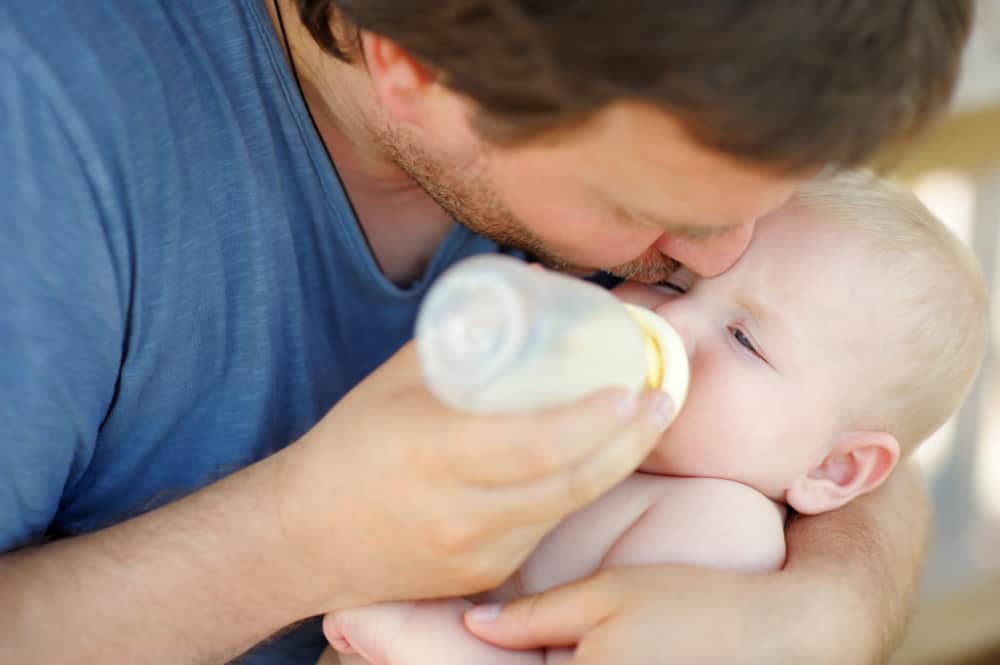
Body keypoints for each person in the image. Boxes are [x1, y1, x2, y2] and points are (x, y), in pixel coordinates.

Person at [0, 2, 973, 663]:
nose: (712, 263)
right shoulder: (45, 125)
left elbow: (867, 383)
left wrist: (818, 614)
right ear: (414, 66)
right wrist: (297, 538)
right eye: (651, 214)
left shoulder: (684, 85)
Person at [318, 171, 989, 665]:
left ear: (834, 466)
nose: (669, 319)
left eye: (745, 340)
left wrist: (419, 634)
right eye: (671, 281)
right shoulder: (591, 405)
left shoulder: (723, 531)